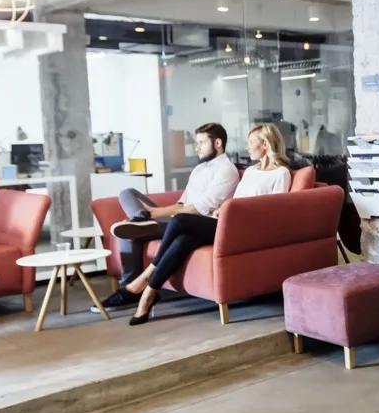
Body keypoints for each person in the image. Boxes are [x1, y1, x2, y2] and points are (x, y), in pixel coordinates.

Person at [105, 123, 238, 309]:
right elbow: (182, 204)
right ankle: (139, 220)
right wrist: (155, 212)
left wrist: (155, 213)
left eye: (201, 143)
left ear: (217, 143)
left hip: (194, 223)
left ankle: (129, 284)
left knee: (130, 232)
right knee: (127, 193)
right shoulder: (199, 170)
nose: (197, 148)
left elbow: (199, 209)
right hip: (178, 217)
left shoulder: (227, 170)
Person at [237, 123, 293, 197]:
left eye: (251, 142)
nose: (247, 147)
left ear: (265, 144)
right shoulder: (250, 170)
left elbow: (279, 203)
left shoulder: (281, 173)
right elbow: (235, 200)